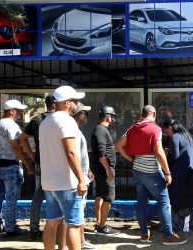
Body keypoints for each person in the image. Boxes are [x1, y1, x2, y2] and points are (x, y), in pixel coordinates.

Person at [115, 105, 187, 246]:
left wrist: (131, 159)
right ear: (153, 114)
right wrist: (167, 173)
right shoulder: (155, 129)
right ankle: (168, 236)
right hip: (151, 172)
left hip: (137, 170)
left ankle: (144, 234)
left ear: (142, 114)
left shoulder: (133, 128)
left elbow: (118, 145)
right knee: (164, 201)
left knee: (141, 202)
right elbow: (159, 153)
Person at [39, 86, 87, 250]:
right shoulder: (67, 121)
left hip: (49, 183)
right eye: (75, 101)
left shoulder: (45, 122)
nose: (77, 104)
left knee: (51, 222)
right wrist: (81, 180)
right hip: (67, 183)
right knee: (73, 224)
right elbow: (71, 152)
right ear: (66, 103)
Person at [0, 99, 33, 236]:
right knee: (11, 198)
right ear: (11, 111)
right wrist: (27, 163)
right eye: (19, 111)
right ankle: (10, 228)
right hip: (10, 165)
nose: (20, 114)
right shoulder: (12, 125)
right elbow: (16, 147)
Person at [20, 95, 55, 240]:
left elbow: (22, 139)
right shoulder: (60, 120)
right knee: (56, 197)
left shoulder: (37, 119)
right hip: (54, 165)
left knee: (38, 197)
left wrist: (32, 155)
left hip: (40, 163)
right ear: (55, 103)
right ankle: (55, 230)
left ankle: (34, 230)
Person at [162, 119, 193, 232]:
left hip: (179, 171)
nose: (167, 134)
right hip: (190, 169)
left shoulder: (175, 137)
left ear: (170, 128)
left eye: (166, 132)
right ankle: (188, 224)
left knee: (175, 197)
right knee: (185, 196)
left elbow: (175, 157)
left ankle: (176, 224)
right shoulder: (186, 135)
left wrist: (166, 154)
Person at [72, 102, 98, 249]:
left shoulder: (75, 130)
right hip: (78, 179)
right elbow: (73, 155)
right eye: (85, 113)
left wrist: (87, 170)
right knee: (78, 211)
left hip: (80, 175)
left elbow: (79, 156)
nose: (86, 116)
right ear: (79, 115)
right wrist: (82, 178)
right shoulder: (74, 132)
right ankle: (80, 241)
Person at [90, 106, 119, 236]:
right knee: (108, 198)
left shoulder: (100, 130)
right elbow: (102, 154)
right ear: (108, 117)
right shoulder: (101, 130)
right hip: (103, 170)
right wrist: (108, 170)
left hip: (101, 170)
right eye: (112, 116)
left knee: (100, 196)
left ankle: (98, 223)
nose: (113, 119)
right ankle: (102, 227)